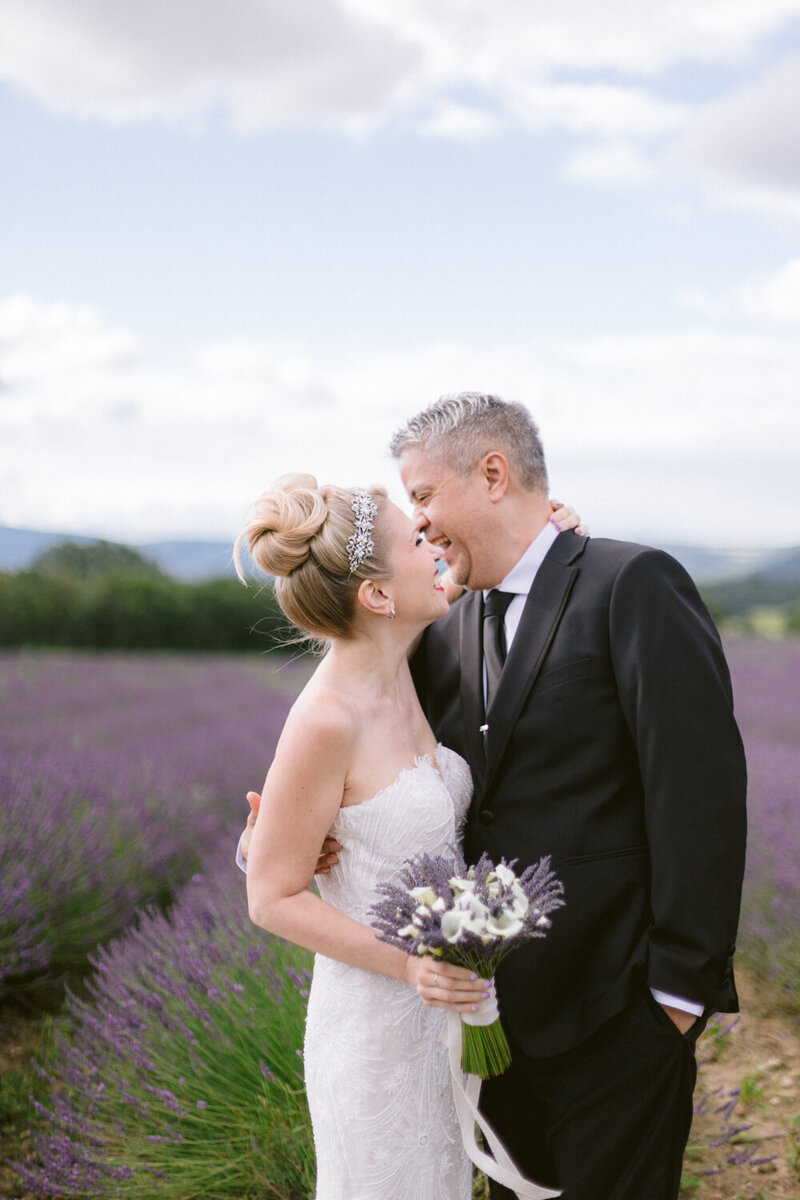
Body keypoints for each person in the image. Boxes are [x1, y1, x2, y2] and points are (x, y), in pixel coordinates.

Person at [387, 393, 747, 1200]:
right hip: (494, 1017)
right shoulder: (447, 621)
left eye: (422, 494)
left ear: (492, 473)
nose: (418, 523)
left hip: (621, 1009)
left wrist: (676, 995)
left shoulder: (633, 582)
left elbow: (700, 792)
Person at [234, 472, 584, 1200]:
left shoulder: (406, 672)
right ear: (379, 596)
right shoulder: (327, 718)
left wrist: (552, 542)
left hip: (438, 1019)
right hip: (376, 1028)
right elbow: (269, 898)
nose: (436, 546)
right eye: (417, 541)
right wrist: (413, 969)